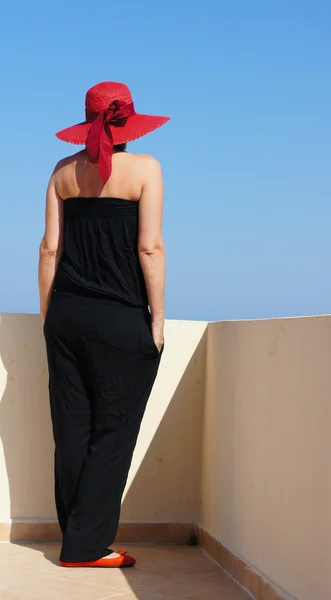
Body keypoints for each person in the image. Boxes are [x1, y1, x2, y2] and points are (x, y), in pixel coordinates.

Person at [38, 81, 169, 568]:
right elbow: (149, 248)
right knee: (113, 430)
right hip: (120, 319)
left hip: (67, 314)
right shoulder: (146, 170)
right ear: (129, 125)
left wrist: (52, 316)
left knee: (71, 427)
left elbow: (49, 249)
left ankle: (77, 536)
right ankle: (87, 547)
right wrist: (157, 318)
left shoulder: (61, 172)